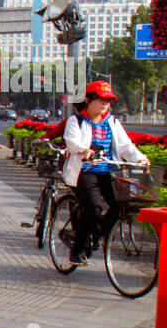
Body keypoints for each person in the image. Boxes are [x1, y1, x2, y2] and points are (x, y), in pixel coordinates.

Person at [61, 80, 149, 265]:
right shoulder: (76, 120)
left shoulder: (112, 122)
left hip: (109, 171)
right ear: (88, 100)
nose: (104, 104)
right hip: (84, 172)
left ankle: (97, 235)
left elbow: (126, 146)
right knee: (93, 208)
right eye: (100, 99)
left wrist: (141, 159)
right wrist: (85, 150)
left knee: (121, 205)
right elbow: (72, 141)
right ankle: (77, 250)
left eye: (108, 100)